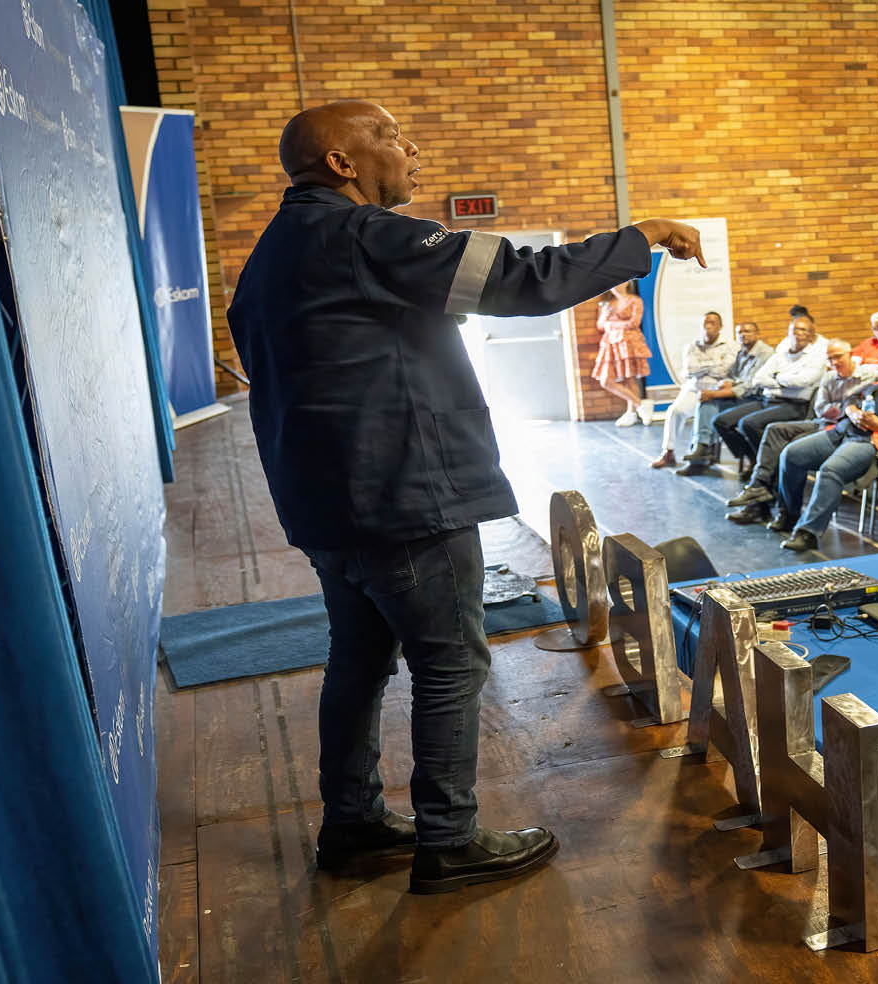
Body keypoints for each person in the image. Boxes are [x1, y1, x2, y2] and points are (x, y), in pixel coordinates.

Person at [227, 100, 706, 893]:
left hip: (324, 502)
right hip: (405, 495)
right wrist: (642, 236)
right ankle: (447, 839)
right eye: (386, 135)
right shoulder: (365, 235)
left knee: (358, 661)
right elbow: (523, 282)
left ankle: (350, 824)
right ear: (341, 164)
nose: (409, 146)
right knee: (449, 662)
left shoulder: (273, 252)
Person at [772, 349, 878, 552]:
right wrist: (852, 411)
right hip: (843, 430)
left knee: (831, 470)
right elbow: (853, 397)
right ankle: (789, 514)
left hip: (874, 442)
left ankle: (808, 532)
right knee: (791, 454)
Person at [723, 340, 878, 522]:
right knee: (774, 430)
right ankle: (758, 486)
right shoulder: (830, 377)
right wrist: (836, 409)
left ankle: (776, 511)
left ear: (850, 354)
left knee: (787, 450)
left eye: (838, 357)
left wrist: (840, 409)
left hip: (843, 431)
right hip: (822, 423)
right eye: (830, 359)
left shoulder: (870, 375)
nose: (834, 363)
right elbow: (820, 408)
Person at [710, 314, 826, 475]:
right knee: (720, 421)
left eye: (803, 330)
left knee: (749, 424)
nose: (798, 333)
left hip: (794, 406)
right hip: (768, 400)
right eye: (794, 329)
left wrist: (776, 378)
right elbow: (759, 378)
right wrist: (784, 382)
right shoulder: (781, 354)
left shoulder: (817, 358)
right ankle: (756, 458)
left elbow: (802, 382)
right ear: (788, 332)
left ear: (811, 336)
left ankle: (768, 465)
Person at [681, 320, 774, 473]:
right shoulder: (742, 352)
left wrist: (715, 393)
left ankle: (751, 456)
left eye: (748, 331)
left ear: (758, 334)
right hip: (741, 397)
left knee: (717, 413)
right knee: (705, 404)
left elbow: (750, 386)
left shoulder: (765, 354)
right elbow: (734, 376)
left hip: (757, 399)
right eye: (740, 332)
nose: (743, 335)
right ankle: (701, 448)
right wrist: (727, 383)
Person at [652, 311, 734, 469]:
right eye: (706, 322)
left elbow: (723, 371)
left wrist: (702, 367)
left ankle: (701, 451)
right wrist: (713, 364)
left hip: (715, 390)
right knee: (674, 411)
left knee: (704, 411)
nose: (708, 325)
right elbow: (690, 369)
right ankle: (668, 453)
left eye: (713, 322)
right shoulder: (691, 346)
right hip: (693, 388)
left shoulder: (729, 346)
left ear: (720, 326)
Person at [593, 280, 653, 426]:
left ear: (627, 283)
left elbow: (634, 323)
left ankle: (631, 413)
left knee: (629, 378)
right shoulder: (607, 304)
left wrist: (611, 325)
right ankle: (640, 405)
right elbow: (600, 325)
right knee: (606, 380)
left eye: (618, 283)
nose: (615, 286)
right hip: (611, 344)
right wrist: (606, 319)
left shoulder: (634, 300)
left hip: (629, 343)